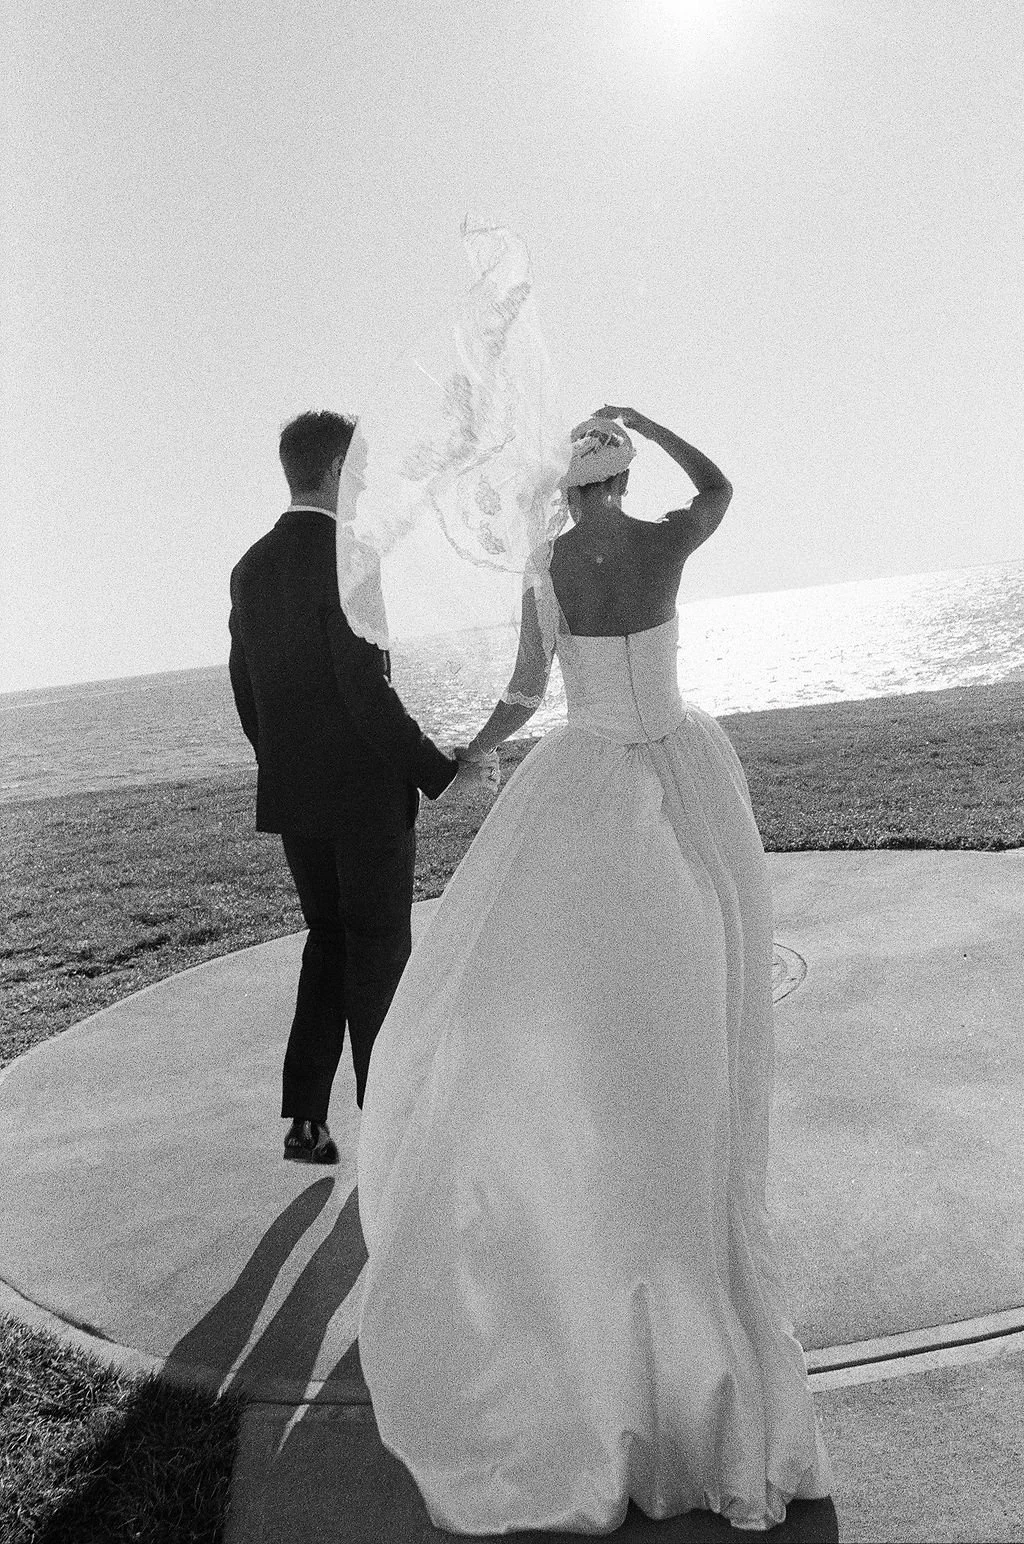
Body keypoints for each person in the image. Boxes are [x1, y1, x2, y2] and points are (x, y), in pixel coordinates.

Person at [356, 408, 834, 1533]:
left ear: (564, 489)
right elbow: (723, 487)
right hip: (680, 775)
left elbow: (527, 691)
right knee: (697, 1000)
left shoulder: (548, 564)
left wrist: (471, 748)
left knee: (569, 995)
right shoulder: (668, 536)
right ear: (620, 475)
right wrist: (657, 422)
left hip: (583, 787)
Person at [228, 410, 495, 1165]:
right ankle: (393, 1129)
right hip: (366, 801)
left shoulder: (249, 567)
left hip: (298, 799)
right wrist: (440, 768)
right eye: (364, 468)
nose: (370, 481)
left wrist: (284, 763)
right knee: (379, 952)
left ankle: (306, 1120)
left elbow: (245, 686)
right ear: (338, 469)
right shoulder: (354, 557)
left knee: (328, 943)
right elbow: (365, 690)